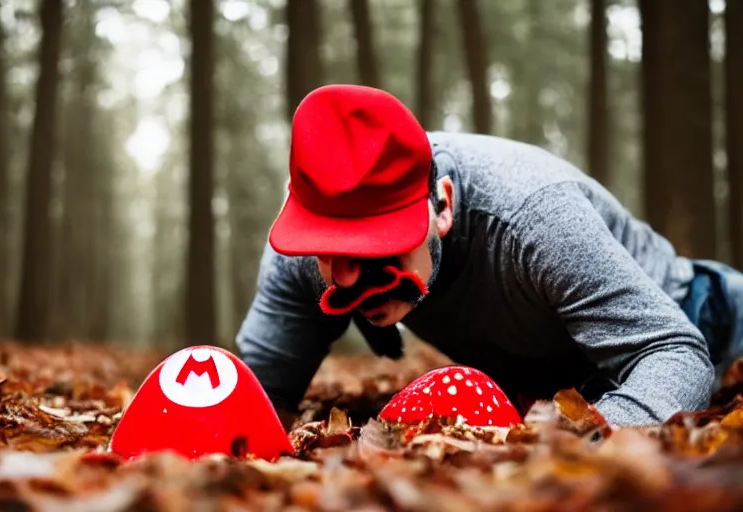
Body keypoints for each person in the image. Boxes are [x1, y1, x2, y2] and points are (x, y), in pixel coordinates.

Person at [235, 84, 743, 429]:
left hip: (701, 317)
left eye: (379, 243)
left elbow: (675, 353)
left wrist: (575, 458)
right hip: (549, 376)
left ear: (443, 206)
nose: (347, 276)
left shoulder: (536, 216)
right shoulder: (300, 252)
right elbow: (256, 401)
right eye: (331, 248)